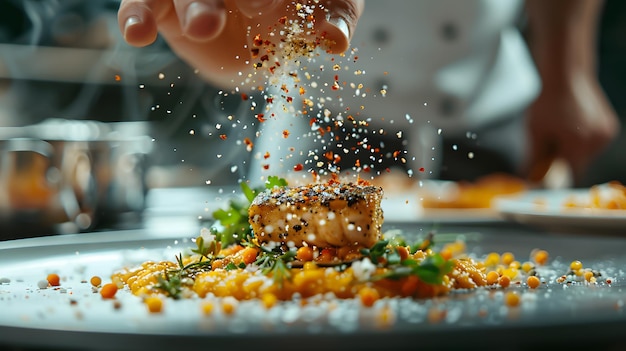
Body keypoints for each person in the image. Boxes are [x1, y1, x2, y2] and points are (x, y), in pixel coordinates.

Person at [117, 0, 619, 186]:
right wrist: (238, 47)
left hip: (489, 114)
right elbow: (248, 54)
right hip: (316, 124)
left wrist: (567, 70)